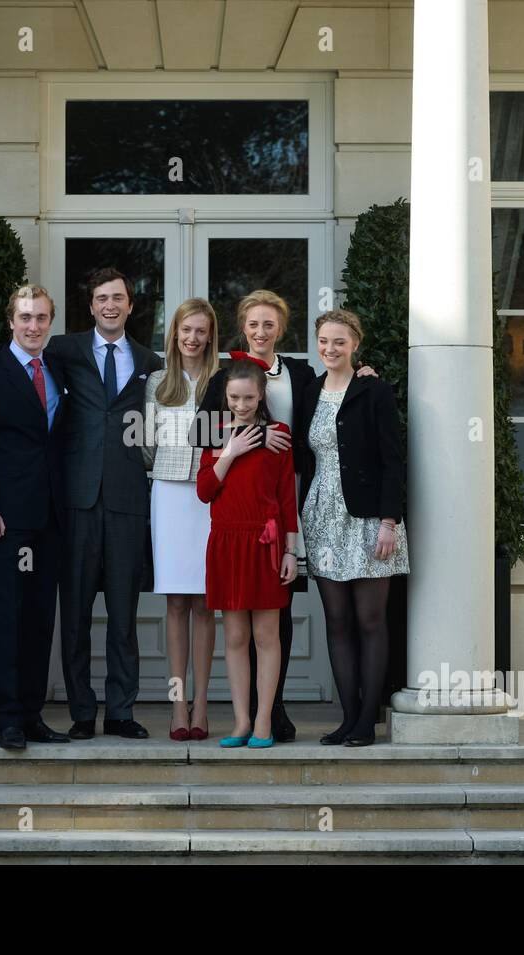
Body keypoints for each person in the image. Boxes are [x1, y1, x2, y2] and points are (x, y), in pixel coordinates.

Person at [0, 268, 162, 739]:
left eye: (118, 297)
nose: (109, 305)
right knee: (68, 613)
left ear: (130, 306)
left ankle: (120, 710)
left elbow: (191, 387)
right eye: (101, 298)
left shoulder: (150, 363)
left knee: (120, 613)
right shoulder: (61, 351)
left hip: (124, 499)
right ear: (89, 307)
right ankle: (78, 712)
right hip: (68, 503)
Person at [188, 289, 376, 742]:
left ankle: (273, 709)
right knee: (239, 620)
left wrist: (363, 376)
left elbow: (334, 398)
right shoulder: (227, 374)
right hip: (238, 488)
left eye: (269, 324)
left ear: (281, 329)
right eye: (253, 323)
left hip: (289, 491)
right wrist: (254, 432)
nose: (260, 331)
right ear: (243, 326)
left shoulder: (300, 371)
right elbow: (200, 431)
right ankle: (246, 713)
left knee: (277, 612)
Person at [0, 285, 72, 750]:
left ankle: (31, 713)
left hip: (50, 517)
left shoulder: (58, 367)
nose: (33, 326)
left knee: (41, 616)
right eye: (25, 317)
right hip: (4, 519)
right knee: (5, 615)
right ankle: (5, 715)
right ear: (11, 321)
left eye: (42, 318)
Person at [296, 309, 409, 746]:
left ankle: (367, 720)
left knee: (370, 620)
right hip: (322, 517)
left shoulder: (374, 390)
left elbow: (392, 459)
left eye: (339, 341)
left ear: (355, 344)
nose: (330, 348)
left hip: (368, 520)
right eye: (324, 340)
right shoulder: (309, 392)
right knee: (337, 621)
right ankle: (347, 718)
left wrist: (388, 521)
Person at [196, 356, 300, 749]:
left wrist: (291, 551)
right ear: (224, 395)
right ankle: (240, 722)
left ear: (261, 396)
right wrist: (230, 450)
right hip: (226, 542)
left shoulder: (278, 435)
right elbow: (205, 490)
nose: (241, 404)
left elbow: (286, 499)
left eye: (249, 398)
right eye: (234, 397)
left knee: (266, 635)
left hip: (266, 544)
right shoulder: (214, 433)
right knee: (235, 636)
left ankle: (262, 723)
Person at [142, 298, 220, 741]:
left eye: (200, 331)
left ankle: (202, 705)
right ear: (174, 333)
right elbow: (147, 445)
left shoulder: (221, 379)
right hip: (169, 494)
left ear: (211, 336)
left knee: (207, 602)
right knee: (175, 602)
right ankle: (177, 705)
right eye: (185, 330)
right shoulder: (157, 382)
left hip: (211, 495)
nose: (192, 338)